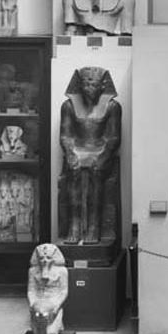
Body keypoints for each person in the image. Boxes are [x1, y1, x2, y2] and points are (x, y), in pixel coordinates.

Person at [59, 66, 122, 244]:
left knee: (96, 174)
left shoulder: (112, 106)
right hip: (77, 149)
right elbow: (65, 136)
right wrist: (70, 154)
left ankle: (94, 226)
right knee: (73, 174)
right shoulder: (68, 106)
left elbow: (113, 138)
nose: (89, 88)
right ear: (79, 86)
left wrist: (103, 156)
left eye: (93, 84)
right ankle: (74, 225)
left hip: (100, 150)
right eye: (86, 84)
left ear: (102, 86)